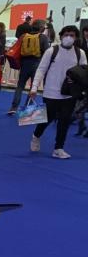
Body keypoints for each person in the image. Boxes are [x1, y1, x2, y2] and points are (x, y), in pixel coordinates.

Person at [29, 25, 88, 159]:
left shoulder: (80, 53)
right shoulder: (51, 51)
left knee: (64, 121)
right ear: (61, 36)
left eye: (72, 35)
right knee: (47, 119)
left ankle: (58, 148)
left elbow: (85, 72)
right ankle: (36, 136)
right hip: (51, 92)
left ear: (76, 37)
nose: (69, 37)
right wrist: (34, 88)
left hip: (69, 93)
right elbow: (41, 70)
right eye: (66, 34)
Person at [8, 21, 50, 115]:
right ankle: (28, 108)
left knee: (20, 85)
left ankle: (13, 107)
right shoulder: (42, 37)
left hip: (25, 63)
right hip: (37, 63)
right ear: (41, 28)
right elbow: (47, 52)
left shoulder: (24, 36)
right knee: (33, 87)